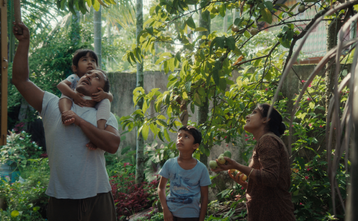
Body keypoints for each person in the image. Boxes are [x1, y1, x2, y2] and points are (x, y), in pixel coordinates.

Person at [12, 22, 120, 221]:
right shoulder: (53, 104)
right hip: (62, 198)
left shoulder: (104, 115)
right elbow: (21, 80)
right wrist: (24, 42)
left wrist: (79, 121)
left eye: (96, 76)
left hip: (99, 196)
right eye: (86, 73)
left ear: (101, 90)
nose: (88, 75)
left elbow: (112, 144)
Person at [213, 104, 296, 221]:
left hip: (274, 213)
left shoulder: (268, 140)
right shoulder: (264, 141)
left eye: (254, 112)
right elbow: (269, 186)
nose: (247, 116)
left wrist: (237, 166)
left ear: (265, 119)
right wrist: (247, 185)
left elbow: (270, 178)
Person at [57, 49, 113, 149]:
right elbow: (61, 85)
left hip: (93, 102)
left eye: (93, 60)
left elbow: (110, 97)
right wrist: (73, 95)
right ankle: (66, 114)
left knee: (106, 102)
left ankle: (100, 131)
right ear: (75, 68)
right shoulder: (74, 78)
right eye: (84, 60)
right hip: (74, 99)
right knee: (65, 94)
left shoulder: (100, 83)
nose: (89, 62)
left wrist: (104, 95)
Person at [158, 126, 211, 221]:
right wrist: (165, 210)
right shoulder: (169, 164)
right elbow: (161, 188)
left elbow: (204, 197)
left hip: (192, 216)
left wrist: (201, 219)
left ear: (195, 146)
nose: (180, 139)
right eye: (179, 136)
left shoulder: (201, 169)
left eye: (186, 136)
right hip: (171, 214)